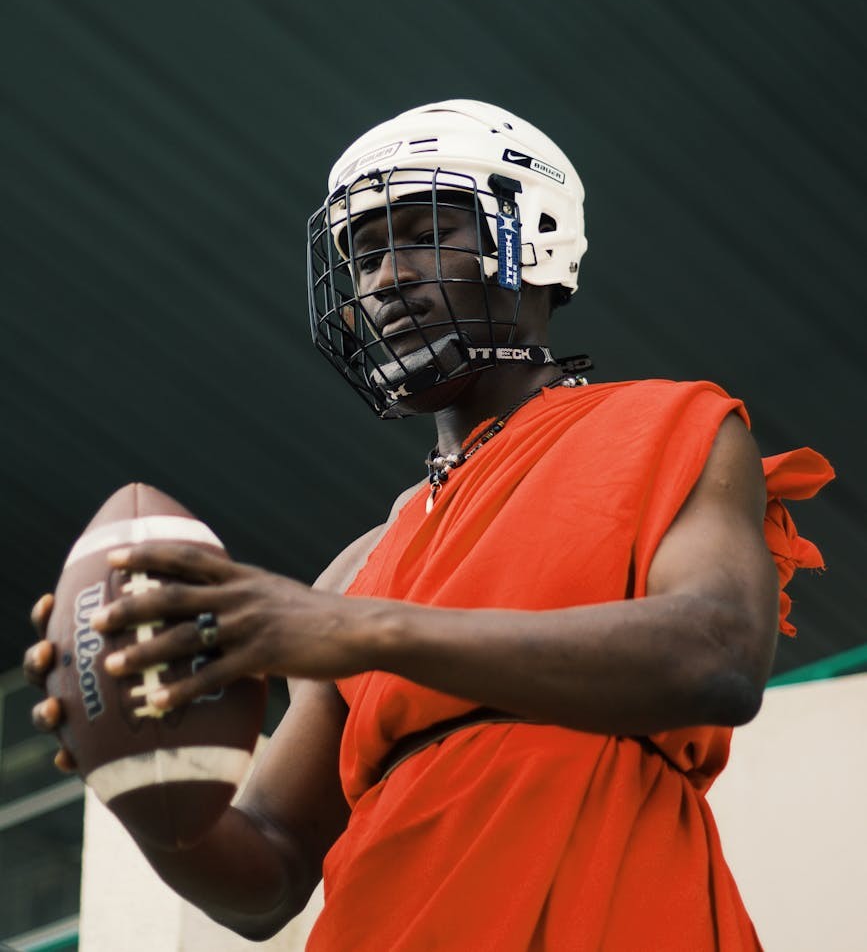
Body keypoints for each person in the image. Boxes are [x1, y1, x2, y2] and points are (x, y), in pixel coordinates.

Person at [26, 100, 831, 950]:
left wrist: (361, 631)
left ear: (532, 241)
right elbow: (268, 877)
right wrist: (138, 779)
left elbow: (717, 655)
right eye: (365, 255)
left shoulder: (670, 424)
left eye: (423, 235)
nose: (384, 279)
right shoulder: (354, 571)